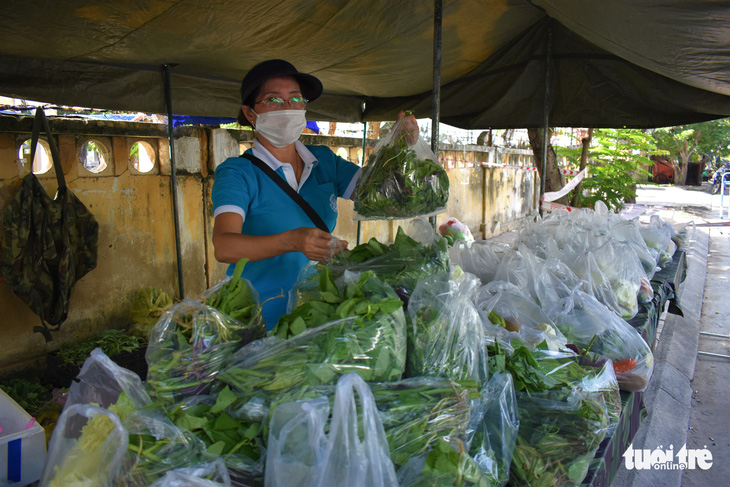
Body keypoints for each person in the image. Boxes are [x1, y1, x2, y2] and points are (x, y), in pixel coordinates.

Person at [211, 59, 416, 330]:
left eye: (296, 98)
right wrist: (293, 240)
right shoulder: (237, 172)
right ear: (250, 114)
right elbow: (225, 247)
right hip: (258, 319)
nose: (288, 107)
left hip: (316, 313)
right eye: (273, 99)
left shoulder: (324, 161)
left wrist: (399, 148)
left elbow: (381, 196)